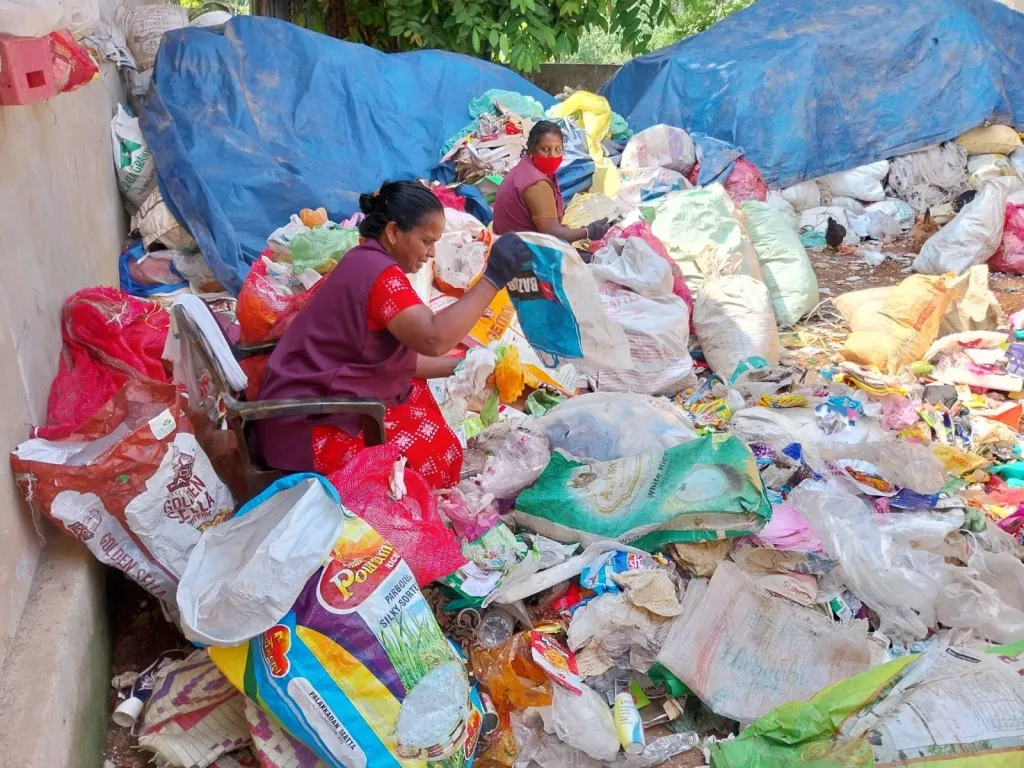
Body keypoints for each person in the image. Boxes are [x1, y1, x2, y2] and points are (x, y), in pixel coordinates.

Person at [255, 180, 530, 489]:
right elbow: (433, 338)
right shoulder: (379, 274)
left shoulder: (367, 261)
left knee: (436, 434)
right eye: (426, 241)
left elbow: (391, 360)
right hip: (310, 427)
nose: (430, 254)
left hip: (314, 406)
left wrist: (468, 365)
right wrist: (493, 278)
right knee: (432, 467)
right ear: (393, 232)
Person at [492, 120, 612, 243]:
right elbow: (552, 234)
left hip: (504, 244)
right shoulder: (536, 184)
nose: (552, 155)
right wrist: (588, 231)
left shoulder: (524, 168)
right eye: (545, 149)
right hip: (521, 252)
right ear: (532, 149)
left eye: (557, 149)